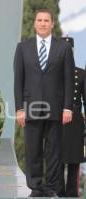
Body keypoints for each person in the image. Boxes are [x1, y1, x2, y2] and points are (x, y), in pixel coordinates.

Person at [13, 9, 75, 197]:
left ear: (52, 24)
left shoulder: (63, 48)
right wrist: (19, 109)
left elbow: (68, 80)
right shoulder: (22, 48)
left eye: (46, 20)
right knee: (33, 151)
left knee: (54, 152)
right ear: (35, 24)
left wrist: (67, 107)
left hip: (56, 108)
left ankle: (51, 188)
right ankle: (36, 188)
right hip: (31, 108)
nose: (42, 23)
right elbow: (18, 81)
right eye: (39, 20)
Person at [59, 36, 85, 197]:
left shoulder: (81, 74)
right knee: (58, 158)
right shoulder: (51, 73)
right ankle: (58, 191)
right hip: (57, 119)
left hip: (75, 120)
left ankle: (72, 193)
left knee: (74, 160)